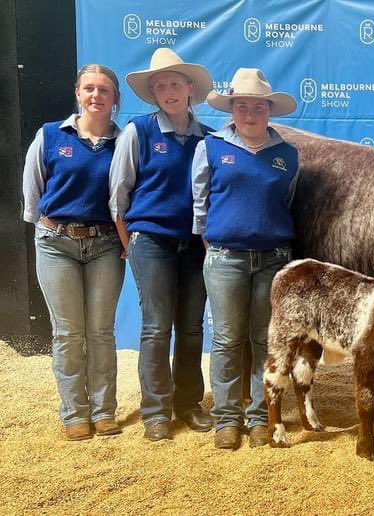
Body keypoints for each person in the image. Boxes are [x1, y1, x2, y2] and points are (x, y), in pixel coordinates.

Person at [191, 68, 299, 450]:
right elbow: (201, 204)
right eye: (242, 106)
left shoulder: (287, 155)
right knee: (226, 339)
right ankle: (226, 419)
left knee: (263, 340)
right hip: (225, 258)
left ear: (269, 111)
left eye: (258, 107)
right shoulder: (211, 147)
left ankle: (258, 418)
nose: (250, 114)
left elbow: (283, 202)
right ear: (232, 109)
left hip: (272, 259)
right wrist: (215, 245)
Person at [110, 48, 215, 441]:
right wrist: (130, 243)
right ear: (153, 93)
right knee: (156, 327)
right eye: (160, 86)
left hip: (194, 243)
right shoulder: (139, 132)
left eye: (175, 83)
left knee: (190, 328)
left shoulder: (209, 138)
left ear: (190, 88)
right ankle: (156, 409)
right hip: (150, 240)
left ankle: (188, 403)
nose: (168, 91)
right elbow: (118, 196)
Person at [21, 64, 124, 441]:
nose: (96, 95)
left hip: (105, 244)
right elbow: (32, 194)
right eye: (89, 88)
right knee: (68, 333)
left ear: (115, 99)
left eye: (104, 90)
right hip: (56, 243)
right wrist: (47, 229)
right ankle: (74, 413)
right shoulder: (50, 135)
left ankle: (104, 411)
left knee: (100, 332)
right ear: (77, 94)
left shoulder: (123, 141)